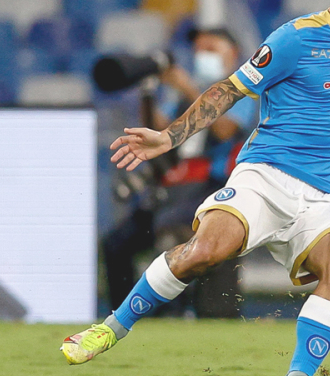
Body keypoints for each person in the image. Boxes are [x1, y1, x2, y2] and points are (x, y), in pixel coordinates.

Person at [62, 0, 330, 376]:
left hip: (328, 195)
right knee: (205, 251)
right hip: (266, 177)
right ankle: (110, 329)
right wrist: (169, 137)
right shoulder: (295, 39)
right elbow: (228, 90)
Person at [102, 27, 255, 320]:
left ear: (233, 53)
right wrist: (148, 91)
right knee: (117, 243)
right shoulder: (183, 97)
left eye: (210, 49)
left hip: (213, 187)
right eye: (198, 50)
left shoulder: (242, 91)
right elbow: (157, 129)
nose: (202, 56)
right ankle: (125, 315)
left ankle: (176, 313)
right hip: (174, 190)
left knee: (170, 231)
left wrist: (188, 88)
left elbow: (225, 130)